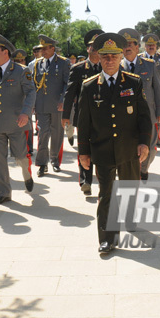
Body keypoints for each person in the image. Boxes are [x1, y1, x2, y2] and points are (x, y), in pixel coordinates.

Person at [77, 32, 152, 254]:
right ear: (99, 58)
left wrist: (144, 143)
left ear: (121, 57)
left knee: (129, 188)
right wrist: (83, 152)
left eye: (114, 56)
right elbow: (84, 122)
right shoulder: (90, 86)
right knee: (106, 194)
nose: (110, 60)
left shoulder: (133, 82)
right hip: (102, 150)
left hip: (129, 149)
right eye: (105, 56)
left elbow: (144, 117)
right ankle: (107, 239)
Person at [0, 34, 36, 205]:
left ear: (5, 52)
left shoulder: (21, 70)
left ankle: (26, 173)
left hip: (16, 123)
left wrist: (25, 113)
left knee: (20, 156)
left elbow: (31, 92)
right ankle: (3, 193)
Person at [118, 28, 160, 181]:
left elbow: (157, 89)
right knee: (131, 148)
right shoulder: (116, 67)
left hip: (148, 114)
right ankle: (135, 172)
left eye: (131, 44)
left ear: (138, 47)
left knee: (150, 148)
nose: (128, 47)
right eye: (125, 45)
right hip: (126, 117)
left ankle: (144, 168)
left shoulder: (149, 65)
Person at [62, 29, 103, 196]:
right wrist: (66, 116)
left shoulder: (108, 66)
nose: (94, 50)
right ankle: (85, 181)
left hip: (103, 116)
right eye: (91, 47)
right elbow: (70, 92)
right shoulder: (78, 69)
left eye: (97, 46)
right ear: (87, 49)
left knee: (101, 148)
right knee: (84, 147)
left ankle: (103, 179)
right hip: (84, 116)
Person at [31, 35, 70, 176]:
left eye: (45, 49)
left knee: (57, 134)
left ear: (52, 48)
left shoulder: (64, 63)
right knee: (43, 133)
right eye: (41, 49)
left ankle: (55, 160)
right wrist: (32, 104)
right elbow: (34, 85)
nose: (42, 51)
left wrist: (63, 100)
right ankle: (42, 163)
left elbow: (67, 84)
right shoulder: (37, 64)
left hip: (57, 105)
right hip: (41, 105)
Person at [13, 48, 34, 154]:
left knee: (28, 127)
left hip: (25, 104)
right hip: (15, 104)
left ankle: (29, 147)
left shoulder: (26, 71)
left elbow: (31, 91)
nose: (20, 63)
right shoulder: (11, 72)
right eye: (17, 61)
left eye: (21, 60)